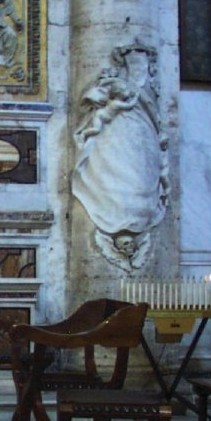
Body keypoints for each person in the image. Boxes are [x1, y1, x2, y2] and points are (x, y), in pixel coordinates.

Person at [71, 43, 170, 267]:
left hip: (136, 141)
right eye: (134, 63)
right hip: (114, 139)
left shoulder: (136, 97)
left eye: (142, 65)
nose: (138, 69)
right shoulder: (116, 99)